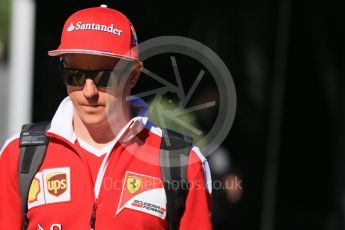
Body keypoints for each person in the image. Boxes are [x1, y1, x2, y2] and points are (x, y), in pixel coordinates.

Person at [0, 5, 212, 230]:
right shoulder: (19, 153)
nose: (88, 92)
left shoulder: (182, 162)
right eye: (75, 76)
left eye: (104, 77)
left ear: (133, 76)